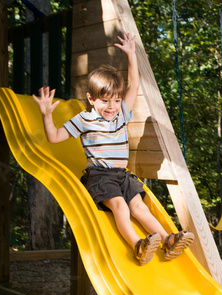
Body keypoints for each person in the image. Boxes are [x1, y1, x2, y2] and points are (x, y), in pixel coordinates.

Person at [32, 33, 194, 266]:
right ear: (91, 99)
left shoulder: (121, 116)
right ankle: (138, 245)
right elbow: (54, 137)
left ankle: (168, 240)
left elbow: (135, 84)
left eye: (116, 100)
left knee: (139, 206)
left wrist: (131, 54)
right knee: (120, 205)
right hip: (100, 176)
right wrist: (47, 115)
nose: (112, 106)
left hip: (122, 175)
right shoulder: (84, 119)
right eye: (105, 101)